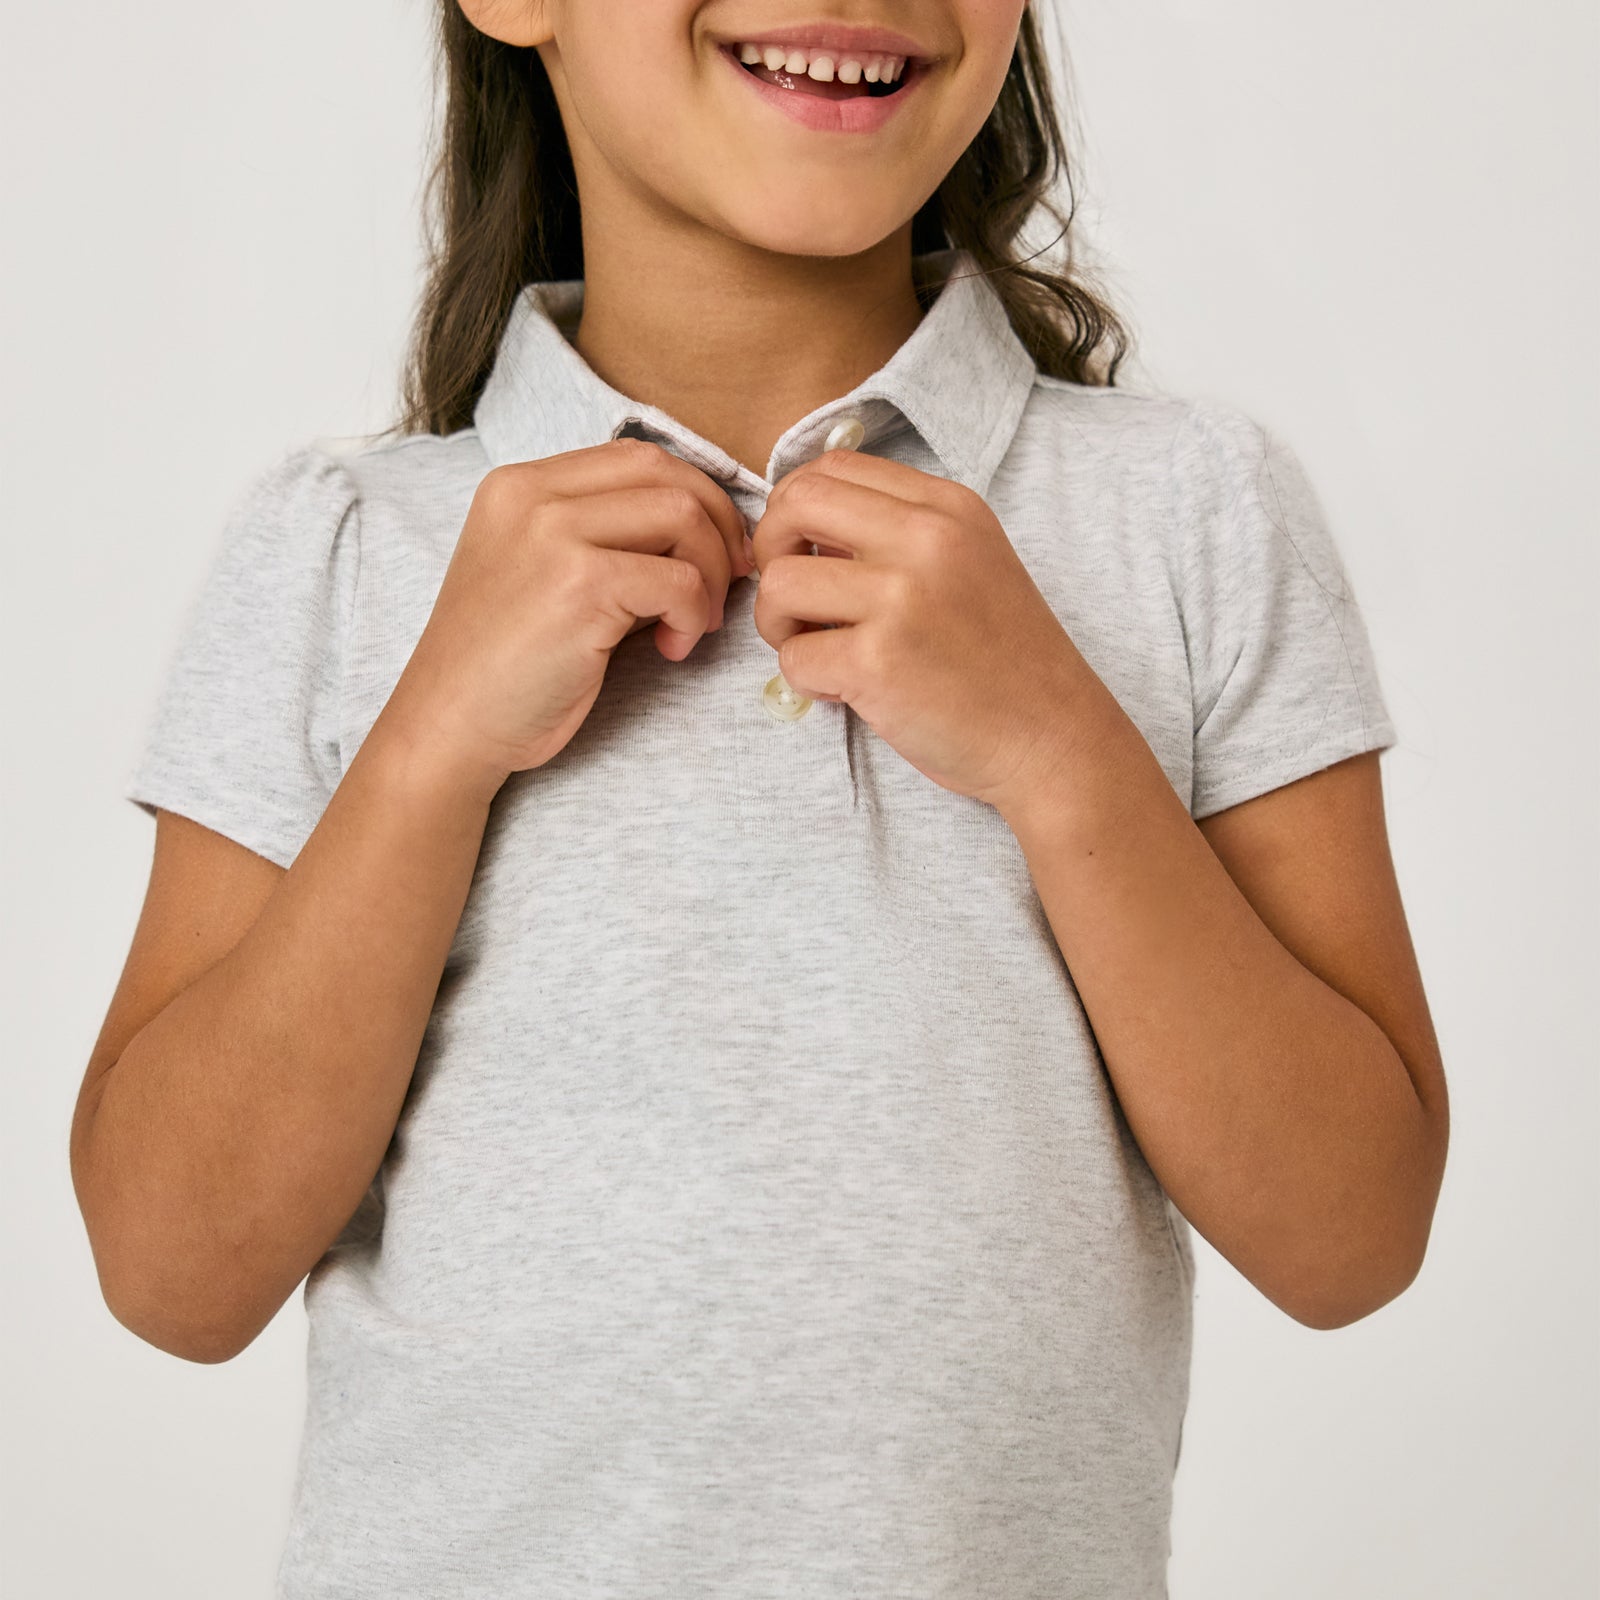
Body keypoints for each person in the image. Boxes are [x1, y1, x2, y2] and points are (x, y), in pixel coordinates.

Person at [69, 2, 1451, 1595]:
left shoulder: (1193, 512)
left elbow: (1353, 1237)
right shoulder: (340, 546)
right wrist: (430, 744)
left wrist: (1059, 748)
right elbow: (174, 1276)